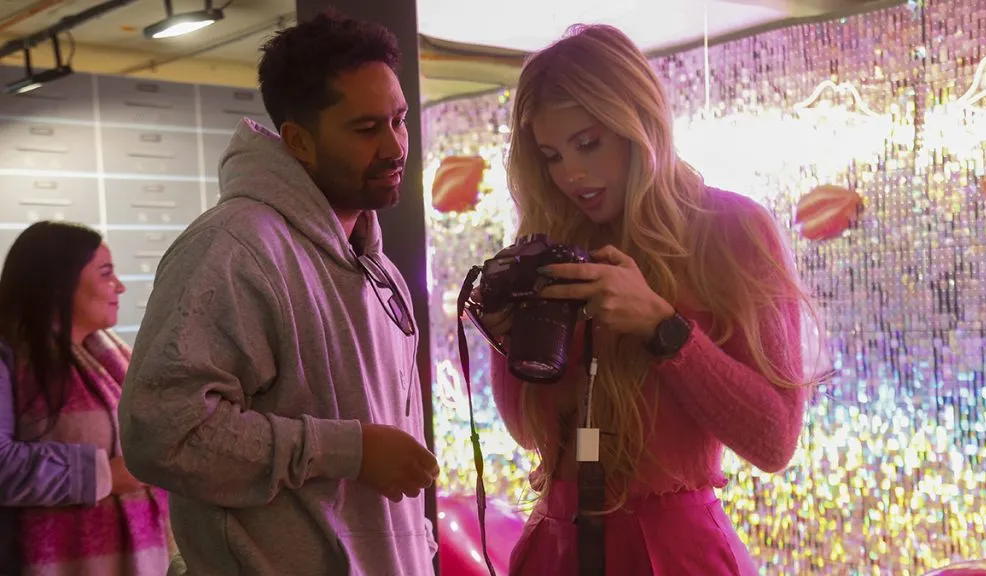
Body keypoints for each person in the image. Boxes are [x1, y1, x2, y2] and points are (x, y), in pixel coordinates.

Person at [478, 25, 825, 575]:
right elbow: (527, 433)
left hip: (677, 550)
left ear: (638, 122)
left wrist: (664, 329)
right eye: (551, 155)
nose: (571, 174)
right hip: (556, 545)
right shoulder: (554, 244)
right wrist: (505, 341)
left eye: (588, 143)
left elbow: (774, 440)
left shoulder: (731, 229)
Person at [117, 12, 439, 576]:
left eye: (400, 120)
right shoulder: (234, 247)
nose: (394, 147)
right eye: (366, 129)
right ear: (299, 142)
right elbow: (162, 432)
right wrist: (350, 451)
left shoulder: (378, 267)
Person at [0, 221, 171, 575]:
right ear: (59, 284)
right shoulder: (10, 359)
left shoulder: (112, 357)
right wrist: (104, 475)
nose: (120, 286)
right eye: (106, 274)